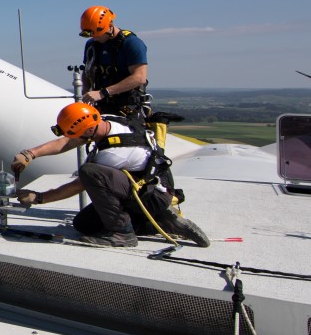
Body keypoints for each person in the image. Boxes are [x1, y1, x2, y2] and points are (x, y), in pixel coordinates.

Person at [11, 102, 209, 248]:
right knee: (84, 224)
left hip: (150, 197)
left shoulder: (112, 154)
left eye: (77, 133)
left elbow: (79, 185)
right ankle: (158, 222)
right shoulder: (109, 122)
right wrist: (30, 154)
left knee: (90, 173)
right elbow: (65, 143)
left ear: (88, 129)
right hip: (150, 190)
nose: (75, 138)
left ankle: (123, 234)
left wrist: (40, 198)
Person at [79, 6, 148, 117]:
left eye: (97, 34)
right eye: (91, 35)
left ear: (110, 27)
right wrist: (86, 91)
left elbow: (139, 77)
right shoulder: (92, 45)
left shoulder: (132, 43)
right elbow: (88, 70)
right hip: (101, 105)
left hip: (127, 107)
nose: (94, 38)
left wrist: (103, 93)